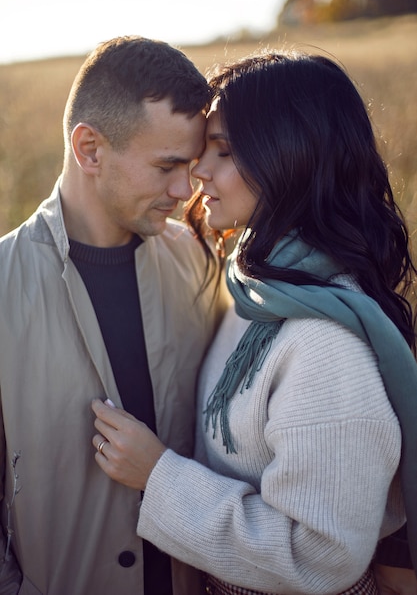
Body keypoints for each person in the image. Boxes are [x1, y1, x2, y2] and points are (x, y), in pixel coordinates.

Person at [91, 49, 417, 594]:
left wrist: (158, 476)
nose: (198, 171)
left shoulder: (323, 344)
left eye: (223, 151)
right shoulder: (257, 287)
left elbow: (321, 555)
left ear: (287, 158)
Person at [0, 36, 228, 595]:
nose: (185, 189)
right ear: (90, 150)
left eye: (191, 166)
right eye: (167, 166)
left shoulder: (200, 262)